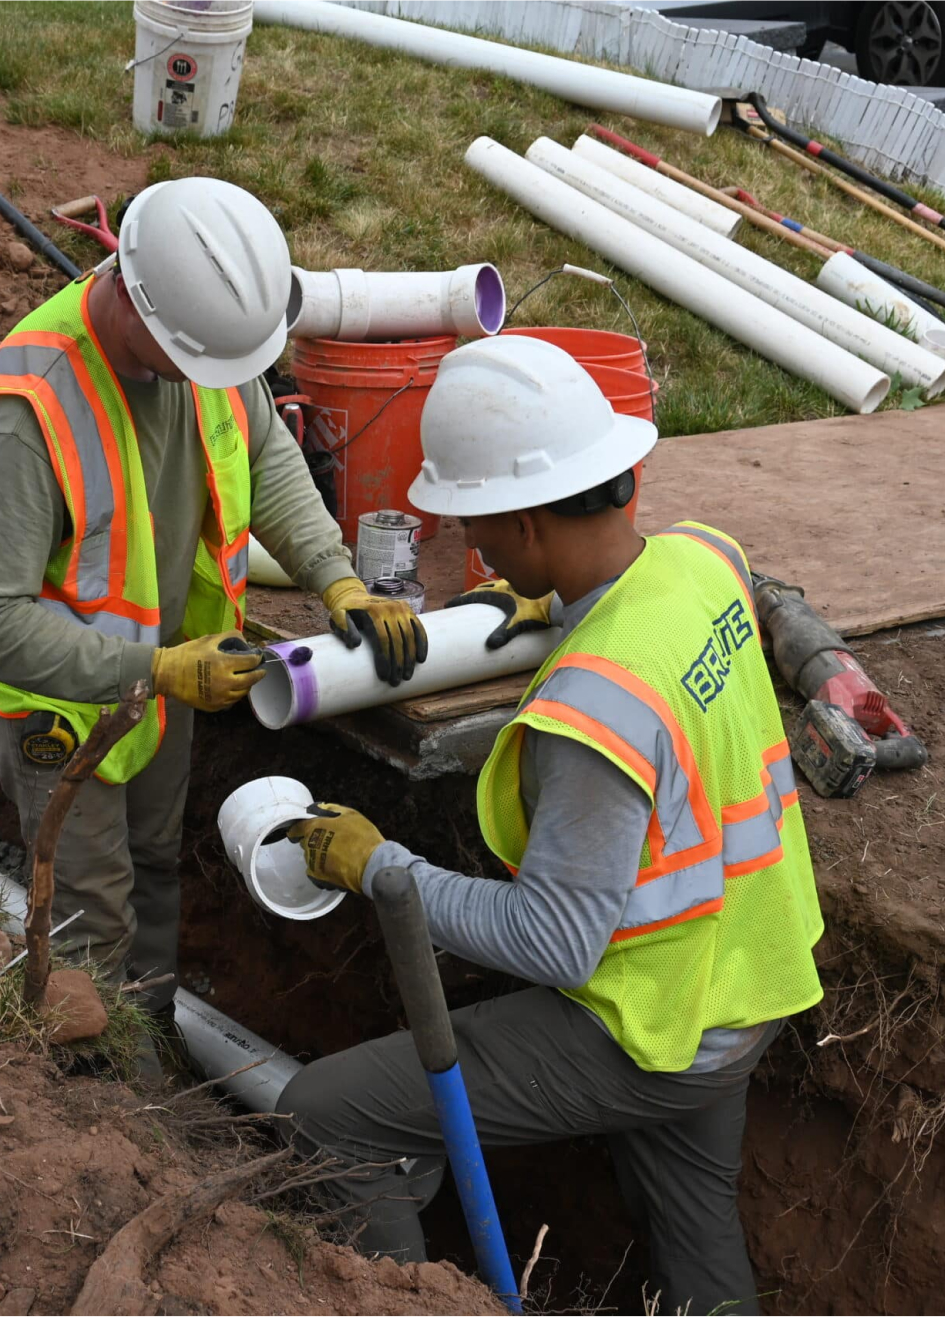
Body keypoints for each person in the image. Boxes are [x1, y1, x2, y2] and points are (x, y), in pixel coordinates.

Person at [282, 335, 824, 1316]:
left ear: (528, 521)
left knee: (328, 1114)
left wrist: (380, 869)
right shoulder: (706, 557)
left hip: (647, 1017)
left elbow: (557, 942)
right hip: (745, 980)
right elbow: (649, 606)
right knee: (699, 1249)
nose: (471, 549)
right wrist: (552, 600)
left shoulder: (595, 710)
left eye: (481, 531)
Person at [0, 177, 427, 1073]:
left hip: (167, 675)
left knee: (156, 864)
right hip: (60, 701)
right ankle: (93, 1101)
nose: (206, 385)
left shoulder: (201, 344)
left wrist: (339, 580)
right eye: (192, 365)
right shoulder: (27, 409)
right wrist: (158, 669)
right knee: (96, 902)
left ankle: (146, 1038)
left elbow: (269, 456)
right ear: (131, 297)